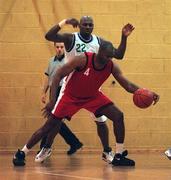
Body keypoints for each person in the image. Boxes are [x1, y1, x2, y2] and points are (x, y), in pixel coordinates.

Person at [13, 40, 159, 166]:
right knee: (49, 126)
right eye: (106, 56)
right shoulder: (83, 59)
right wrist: (52, 100)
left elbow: (127, 85)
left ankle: (119, 155)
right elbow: (57, 75)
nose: (108, 59)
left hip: (92, 96)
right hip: (70, 96)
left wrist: (148, 93)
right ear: (99, 52)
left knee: (118, 116)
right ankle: (22, 153)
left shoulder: (111, 65)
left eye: (110, 57)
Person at [41, 16, 135, 163]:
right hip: (71, 84)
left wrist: (123, 37)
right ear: (79, 26)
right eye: (85, 24)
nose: (88, 27)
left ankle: (107, 151)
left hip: (91, 88)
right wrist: (64, 22)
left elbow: (119, 55)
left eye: (91, 24)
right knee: (56, 119)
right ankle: (47, 147)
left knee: (101, 120)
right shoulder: (71, 39)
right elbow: (49, 36)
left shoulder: (99, 42)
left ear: (93, 26)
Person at [36, 42, 83, 162]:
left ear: (65, 48)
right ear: (54, 48)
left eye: (62, 47)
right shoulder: (51, 61)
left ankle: (44, 147)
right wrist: (44, 92)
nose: (59, 49)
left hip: (63, 91)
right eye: (57, 47)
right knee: (54, 121)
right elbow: (48, 78)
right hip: (53, 91)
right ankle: (74, 143)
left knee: (53, 120)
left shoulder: (69, 61)